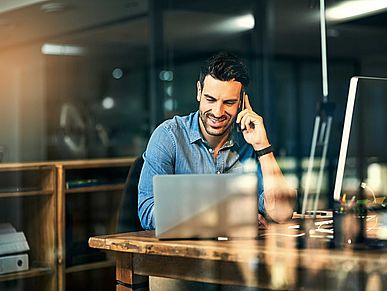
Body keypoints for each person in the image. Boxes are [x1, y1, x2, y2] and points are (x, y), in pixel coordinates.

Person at [138, 51, 296, 230]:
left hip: (239, 254)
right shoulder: (169, 137)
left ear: (241, 103)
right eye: (210, 99)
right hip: (183, 255)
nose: (218, 112)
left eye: (229, 102)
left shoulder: (249, 143)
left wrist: (262, 147)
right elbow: (148, 213)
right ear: (199, 91)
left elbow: (281, 213)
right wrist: (232, 215)